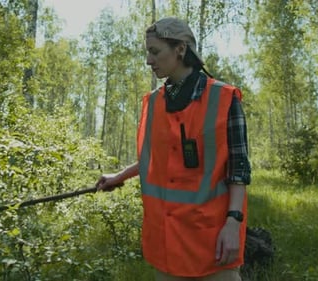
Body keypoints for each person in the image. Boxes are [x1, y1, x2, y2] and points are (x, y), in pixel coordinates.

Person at [95, 17, 251, 281]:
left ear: (180, 50)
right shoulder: (154, 102)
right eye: (148, 52)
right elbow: (154, 159)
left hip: (212, 242)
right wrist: (118, 176)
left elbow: (239, 168)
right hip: (165, 242)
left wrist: (233, 223)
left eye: (155, 52)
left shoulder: (223, 99)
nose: (148, 60)